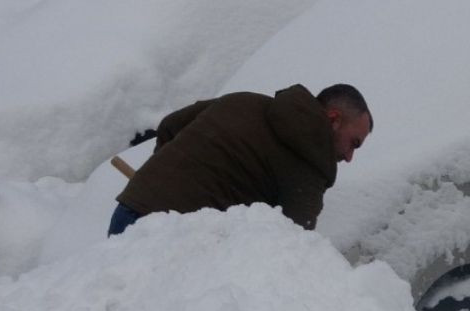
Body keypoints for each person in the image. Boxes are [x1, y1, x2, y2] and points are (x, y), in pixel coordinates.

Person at [109, 83, 373, 236]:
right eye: (354, 143)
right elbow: (292, 243)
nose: (349, 157)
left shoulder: (246, 100)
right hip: (169, 240)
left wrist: (162, 184)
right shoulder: (310, 162)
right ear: (333, 119)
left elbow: (169, 125)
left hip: (130, 209)